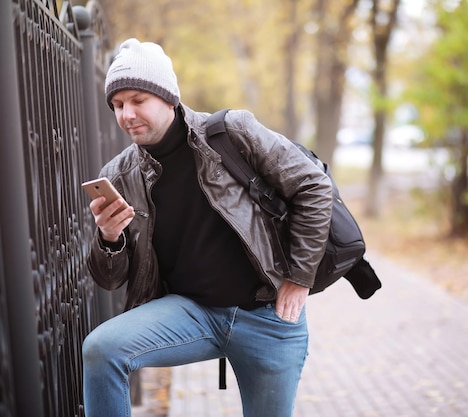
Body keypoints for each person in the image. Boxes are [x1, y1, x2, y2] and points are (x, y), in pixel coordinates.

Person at [82, 38, 333, 417]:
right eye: (117, 105)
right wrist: (109, 238)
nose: (126, 114)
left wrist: (299, 277)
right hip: (189, 313)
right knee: (101, 348)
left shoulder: (231, 133)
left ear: (168, 97)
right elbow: (110, 279)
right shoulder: (118, 175)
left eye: (137, 100)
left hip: (267, 315)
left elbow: (314, 187)